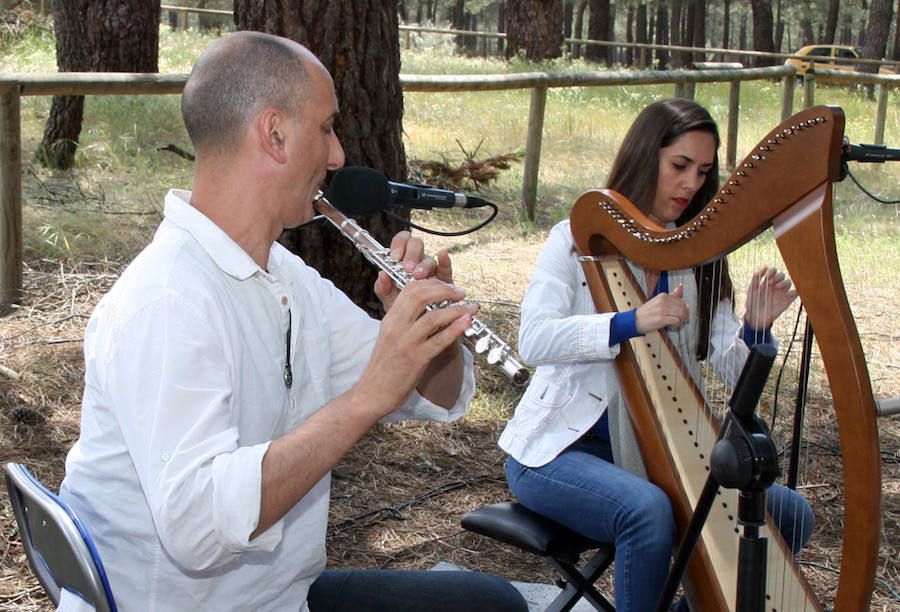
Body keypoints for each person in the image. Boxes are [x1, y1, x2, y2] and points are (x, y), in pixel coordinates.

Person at [57, 31, 526, 612]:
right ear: (274, 134)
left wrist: (433, 333)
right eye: (326, 128)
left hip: (282, 596)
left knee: (488, 603)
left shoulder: (284, 275)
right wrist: (362, 402)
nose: (338, 157)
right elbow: (199, 531)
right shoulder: (167, 302)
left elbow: (435, 398)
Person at [498, 99, 814, 611]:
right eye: (680, 166)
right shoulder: (574, 241)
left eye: (703, 171)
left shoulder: (698, 256)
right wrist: (632, 321)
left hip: (657, 454)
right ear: (648, 158)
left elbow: (730, 365)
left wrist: (757, 325)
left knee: (790, 514)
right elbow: (534, 340)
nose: (691, 184)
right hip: (557, 450)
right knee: (646, 510)